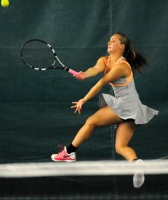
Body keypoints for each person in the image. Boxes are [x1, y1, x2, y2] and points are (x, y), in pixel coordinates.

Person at [51, 33, 158, 188]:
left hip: (127, 105)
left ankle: (69, 152)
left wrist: (83, 100)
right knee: (120, 147)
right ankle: (137, 165)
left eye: (113, 41)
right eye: (109, 40)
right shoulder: (104, 60)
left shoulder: (122, 66)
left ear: (122, 46)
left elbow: (101, 82)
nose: (109, 42)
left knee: (91, 121)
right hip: (133, 108)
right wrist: (84, 74)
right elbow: (94, 70)